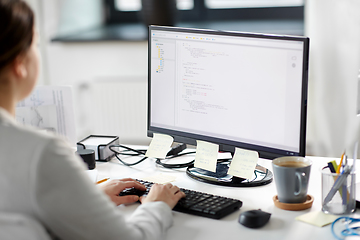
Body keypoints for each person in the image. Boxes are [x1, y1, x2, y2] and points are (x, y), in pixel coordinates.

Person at [0, 0, 185, 239]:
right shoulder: (39, 152)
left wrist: (85, 200)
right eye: (35, 44)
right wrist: (156, 205)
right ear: (19, 65)